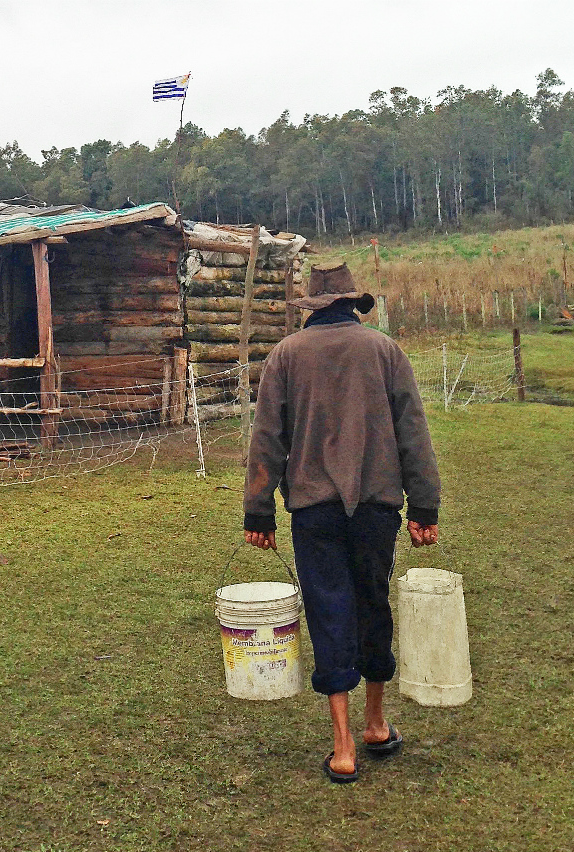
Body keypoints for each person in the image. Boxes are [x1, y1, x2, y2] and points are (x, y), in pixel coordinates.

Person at [242, 260, 441, 784]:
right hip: (378, 507)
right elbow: (413, 435)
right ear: (353, 303)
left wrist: (257, 511)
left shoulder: (286, 356)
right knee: (372, 603)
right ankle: (376, 722)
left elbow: (267, 441)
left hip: (314, 511)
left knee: (329, 609)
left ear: (312, 306)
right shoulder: (385, 351)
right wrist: (424, 508)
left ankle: (344, 745)